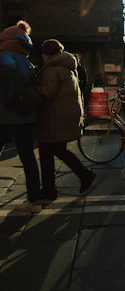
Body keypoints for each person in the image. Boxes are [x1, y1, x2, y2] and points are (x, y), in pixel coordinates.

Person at [36, 39, 96, 200]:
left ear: (46, 54)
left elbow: (47, 93)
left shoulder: (52, 69)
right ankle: (51, 188)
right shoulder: (68, 67)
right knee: (53, 150)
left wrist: (33, 87)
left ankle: (79, 177)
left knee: (50, 150)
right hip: (65, 115)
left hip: (55, 117)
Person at [0, 21, 41, 213]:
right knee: (28, 158)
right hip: (26, 117)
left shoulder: (6, 55)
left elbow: (7, 70)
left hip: (6, 116)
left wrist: (5, 97)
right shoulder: (27, 60)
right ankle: (34, 201)